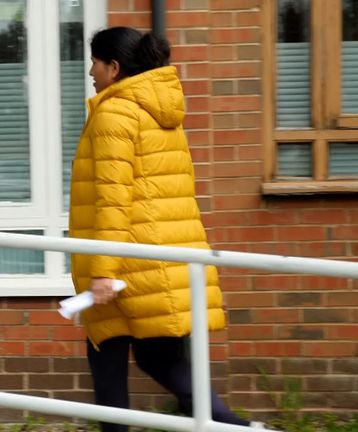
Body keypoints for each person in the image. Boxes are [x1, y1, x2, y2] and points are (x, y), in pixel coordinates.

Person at [68, 28, 263, 431]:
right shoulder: (160, 108)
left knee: (106, 358)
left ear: (113, 67)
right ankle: (233, 427)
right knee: (159, 358)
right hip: (161, 259)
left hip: (127, 264)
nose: (90, 71)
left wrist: (103, 270)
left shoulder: (114, 113)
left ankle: (228, 426)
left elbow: (113, 197)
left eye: (95, 62)